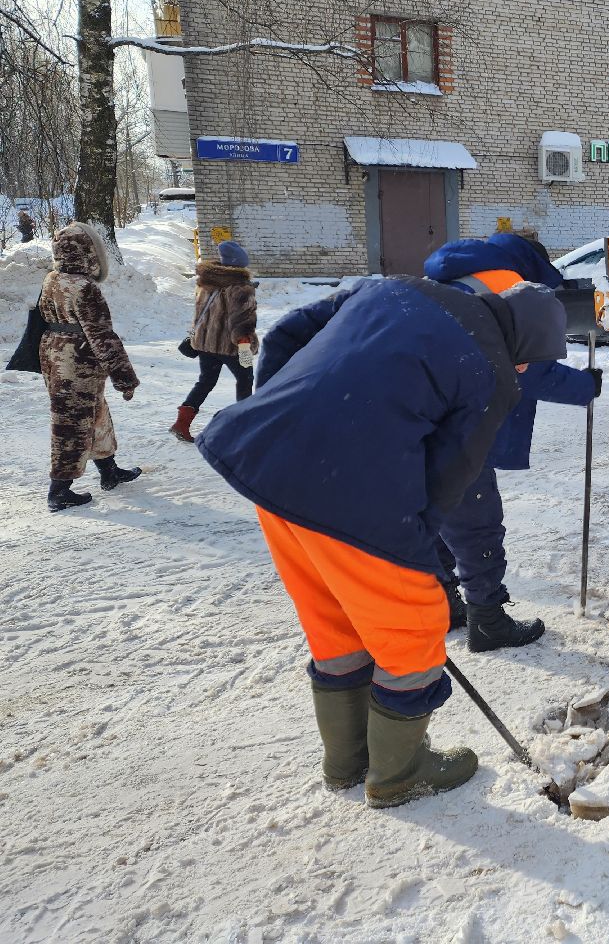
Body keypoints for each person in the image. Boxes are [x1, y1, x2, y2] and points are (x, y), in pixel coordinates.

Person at [195, 271, 566, 808]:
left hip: (266, 462)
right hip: (350, 493)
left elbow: (283, 337)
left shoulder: (394, 288)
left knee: (337, 619)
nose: (526, 371)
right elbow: (450, 483)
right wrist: (417, 555)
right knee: (414, 626)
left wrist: (285, 411)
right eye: (531, 362)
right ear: (524, 350)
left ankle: (348, 760)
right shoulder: (493, 375)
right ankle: (398, 772)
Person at [423, 232, 601, 653]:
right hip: (459, 420)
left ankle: (442, 605)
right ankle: (487, 620)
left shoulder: (453, 276)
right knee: (475, 520)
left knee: (435, 512)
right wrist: (585, 386)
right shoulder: (508, 287)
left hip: (418, 410)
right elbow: (528, 370)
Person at [37, 223, 142, 512]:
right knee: (71, 422)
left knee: (95, 413)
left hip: (54, 352)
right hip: (77, 360)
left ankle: (109, 471)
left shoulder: (53, 278)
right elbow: (103, 337)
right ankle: (59, 490)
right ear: (89, 252)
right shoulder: (85, 288)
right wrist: (125, 378)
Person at [170, 240, 257, 443]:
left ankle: (182, 423)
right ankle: (245, 426)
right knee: (245, 380)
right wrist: (245, 344)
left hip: (206, 344)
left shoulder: (207, 283)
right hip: (233, 345)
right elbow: (243, 320)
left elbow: (201, 312)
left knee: (206, 381)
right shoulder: (241, 287)